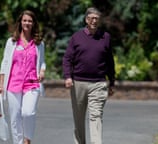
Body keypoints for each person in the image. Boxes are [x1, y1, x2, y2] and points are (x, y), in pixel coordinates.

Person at [62, 7, 115, 144]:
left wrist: (112, 82)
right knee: (79, 119)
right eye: (91, 18)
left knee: (96, 116)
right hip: (78, 83)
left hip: (98, 83)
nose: (94, 21)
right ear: (86, 19)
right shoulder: (77, 37)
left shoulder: (106, 37)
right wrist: (68, 77)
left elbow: (110, 61)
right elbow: (67, 58)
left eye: (97, 18)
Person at [0, 10, 46, 144]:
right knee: (15, 117)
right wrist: (1, 84)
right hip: (13, 84)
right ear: (20, 22)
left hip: (32, 83)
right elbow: (5, 62)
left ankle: (27, 139)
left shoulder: (39, 43)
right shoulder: (12, 42)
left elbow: (42, 61)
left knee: (28, 113)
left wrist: (42, 71)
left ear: (33, 23)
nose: (27, 23)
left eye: (30, 21)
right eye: (25, 20)